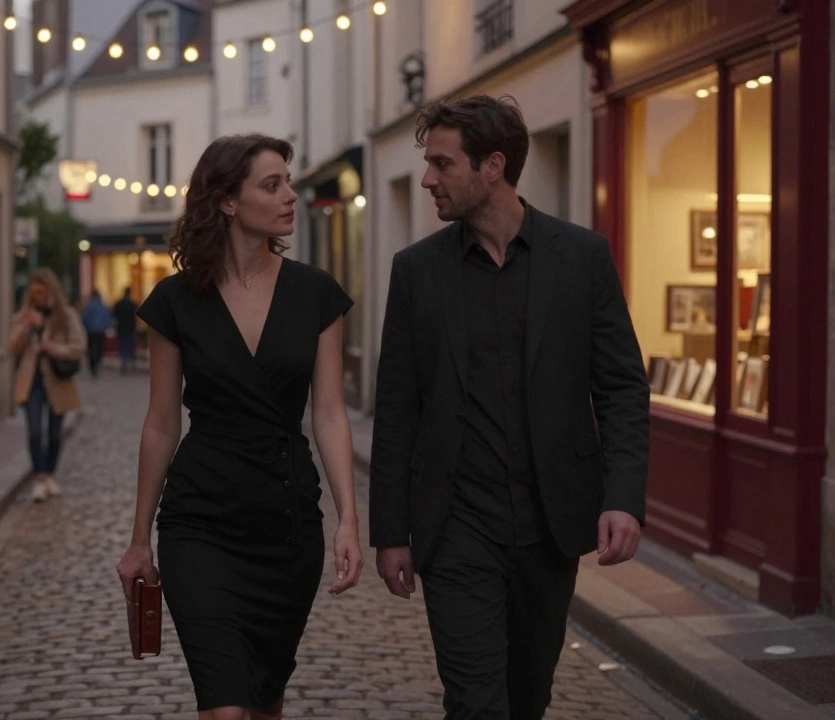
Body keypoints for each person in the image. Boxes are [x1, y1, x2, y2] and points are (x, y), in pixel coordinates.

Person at [370, 95, 650, 720]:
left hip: (550, 526)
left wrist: (623, 495)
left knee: (528, 698)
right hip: (456, 526)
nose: (427, 180)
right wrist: (390, 532)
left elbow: (622, 386)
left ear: (492, 167)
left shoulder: (582, 258)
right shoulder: (416, 271)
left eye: (442, 165)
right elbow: (396, 410)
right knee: (475, 703)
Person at [116, 134, 363, 720]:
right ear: (227, 201)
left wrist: (350, 518)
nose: (290, 197)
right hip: (200, 523)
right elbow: (160, 423)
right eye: (271, 185)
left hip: (286, 523)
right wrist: (138, 538)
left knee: (264, 698)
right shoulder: (176, 301)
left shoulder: (316, 294)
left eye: (288, 183)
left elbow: (328, 414)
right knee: (226, 708)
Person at [9, 268, 86, 501]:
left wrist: (52, 347)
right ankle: (40, 478)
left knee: (54, 433)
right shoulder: (24, 315)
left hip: (57, 380)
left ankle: (50, 472)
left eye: (42, 293)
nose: (38, 297)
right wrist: (25, 327)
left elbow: (78, 346)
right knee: (34, 431)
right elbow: (12, 348)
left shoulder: (66, 315)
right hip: (31, 380)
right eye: (34, 294)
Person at [81, 289, 112, 376]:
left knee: (91, 347)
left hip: (90, 330)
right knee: (99, 347)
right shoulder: (103, 306)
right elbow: (107, 317)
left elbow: (84, 318)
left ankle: (92, 364)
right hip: (100, 330)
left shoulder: (89, 306)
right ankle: (97, 361)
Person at [112, 287, 137, 374]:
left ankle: (124, 363)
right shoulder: (132, 304)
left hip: (121, 327)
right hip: (130, 328)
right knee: (129, 345)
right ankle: (130, 363)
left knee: (123, 345)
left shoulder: (119, 303)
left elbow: (114, 315)